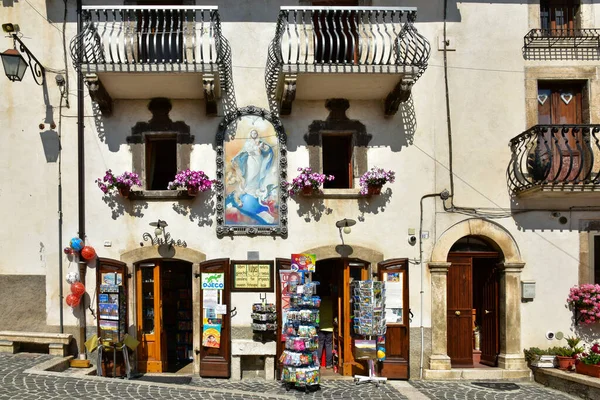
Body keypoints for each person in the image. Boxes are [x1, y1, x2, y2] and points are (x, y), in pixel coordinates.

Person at [318, 288, 334, 369]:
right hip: (330, 328)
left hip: (321, 327)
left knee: (320, 345)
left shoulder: (320, 303)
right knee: (328, 345)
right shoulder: (332, 303)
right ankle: (328, 364)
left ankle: (318, 363)